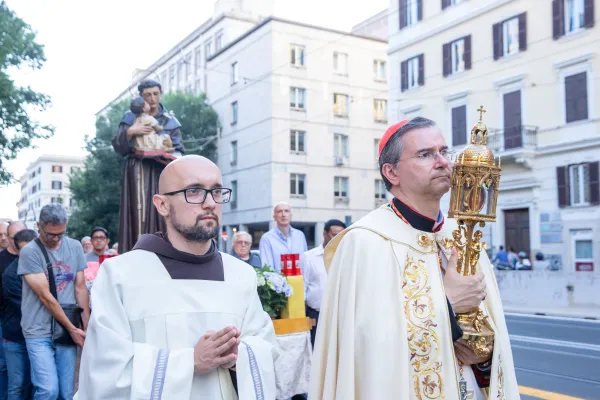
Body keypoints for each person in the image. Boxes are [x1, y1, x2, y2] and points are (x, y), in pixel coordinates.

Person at [309, 118, 519, 399]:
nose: (443, 161)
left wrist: (483, 354)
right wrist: (449, 306)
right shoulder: (364, 242)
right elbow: (364, 350)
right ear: (391, 172)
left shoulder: (463, 237)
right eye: (425, 154)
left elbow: (492, 339)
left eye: (444, 151)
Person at [78, 155, 278, 399]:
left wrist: (241, 355)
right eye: (194, 191)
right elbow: (103, 368)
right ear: (162, 205)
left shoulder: (242, 275)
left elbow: (266, 346)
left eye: (216, 191)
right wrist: (190, 362)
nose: (209, 203)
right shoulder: (120, 275)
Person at [18, 204, 90, 399]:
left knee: (67, 392)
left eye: (61, 234)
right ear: (38, 226)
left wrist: (87, 326)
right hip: (37, 330)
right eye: (51, 235)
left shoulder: (74, 246)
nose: (56, 239)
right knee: (48, 390)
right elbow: (45, 297)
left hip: (67, 329)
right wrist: (73, 329)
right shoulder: (30, 252)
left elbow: (80, 288)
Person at [112, 79, 185, 254]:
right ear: (141, 97)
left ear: (161, 93)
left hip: (162, 172)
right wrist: (130, 132)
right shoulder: (130, 117)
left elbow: (179, 150)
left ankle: (165, 254)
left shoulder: (169, 120)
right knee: (138, 212)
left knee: (163, 212)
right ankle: (136, 253)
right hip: (137, 169)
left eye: (155, 94)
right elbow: (117, 144)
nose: (152, 98)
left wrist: (167, 153)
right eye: (147, 95)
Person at [3, 229, 37, 399]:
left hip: (36, 335)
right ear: (17, 250)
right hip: (15, 336)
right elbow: (28, 306)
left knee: (34, 383)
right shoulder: (10, 274)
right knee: (17, 384)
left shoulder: (44, 266)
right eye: (24, 249)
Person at [302, 219, 345, 348]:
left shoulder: (345, 257)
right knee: (317, 352)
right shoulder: (309, 257)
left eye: (341, 235)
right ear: (325, 234)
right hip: (316, 314)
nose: (337, 238)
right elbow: (302, 286)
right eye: (334, 234)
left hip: (339, 314)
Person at [0, 221, 26, 399]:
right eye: (14, 237)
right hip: (6, 323)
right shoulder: (2, 261)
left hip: (32, 327)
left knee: (29, 378)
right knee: (5, 369)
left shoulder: (35, 258)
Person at [258, 202, 307, 272]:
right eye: (279, 212)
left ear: (291, 216)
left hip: (300, 282)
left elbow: (306, 263)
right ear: (274, 217)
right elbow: (268, 269)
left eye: (286, 211)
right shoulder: (267, 238)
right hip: (278, 282)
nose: (283, 215)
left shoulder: (300, 236)